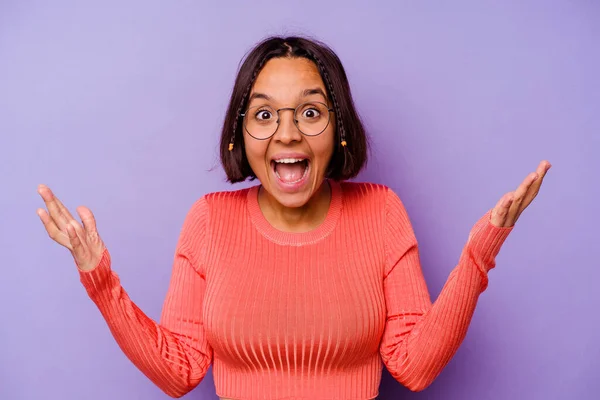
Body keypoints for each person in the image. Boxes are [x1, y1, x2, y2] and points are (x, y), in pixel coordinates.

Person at [37, 36, 550, 400]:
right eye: (264, 115)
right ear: (239, 135)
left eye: (310, 112)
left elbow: (414, 369)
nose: (287, 134)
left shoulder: (381, 211)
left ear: (339, 127)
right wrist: (99, 278)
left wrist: (482, 250)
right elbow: (178, 372)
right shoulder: (210, 221)